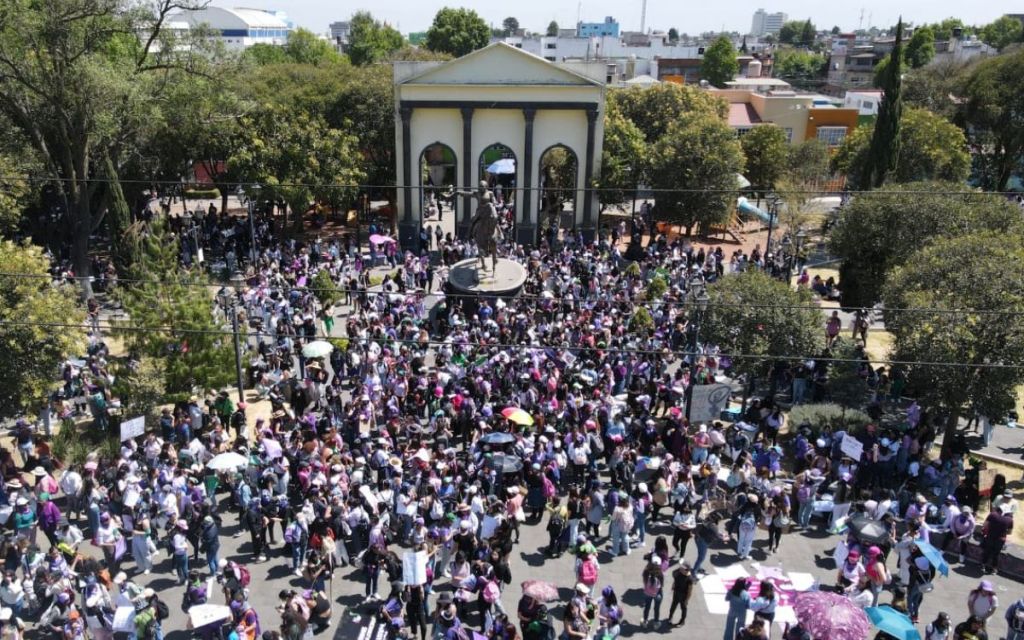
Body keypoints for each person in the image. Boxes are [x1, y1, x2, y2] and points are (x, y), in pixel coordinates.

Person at [981, 504, 1013, 574]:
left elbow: (984, 525)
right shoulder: (1010, 520)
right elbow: (1010, 532)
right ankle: (994, 569)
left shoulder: (992, 515)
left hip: (990, 536)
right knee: (996, 554)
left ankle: (983, 565)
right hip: (1000, 539)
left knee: (987, 551)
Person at [640, 557, 664, 628]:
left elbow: (644, 582)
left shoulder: (646, 572)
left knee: (647, 607)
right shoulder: (660, 574)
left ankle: (645, 622)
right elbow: (661, 585)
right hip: (657, 594)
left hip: (647, 593)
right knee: (657, 608)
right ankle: (656, 623)